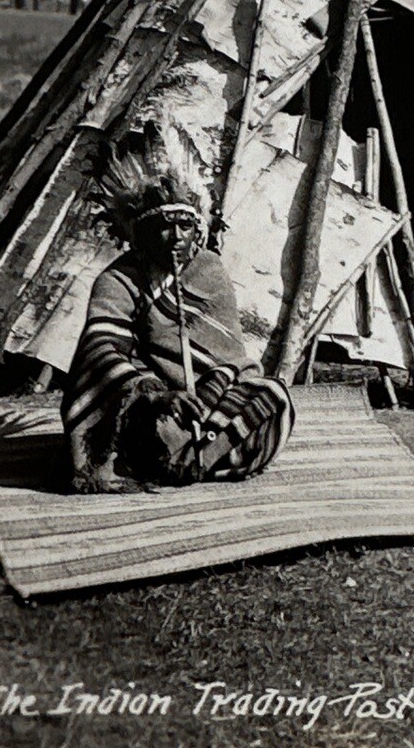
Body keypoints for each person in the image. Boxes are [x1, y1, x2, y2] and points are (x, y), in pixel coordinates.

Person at [62, 123, 294, 493]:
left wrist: (209, 395)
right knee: (153, 429)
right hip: (150, 403)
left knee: (273, 397)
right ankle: (190, 458)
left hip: (211, 395)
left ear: (197, 230)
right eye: (162, 227)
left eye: (185, 225)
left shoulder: (210, 269)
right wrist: (155, 393)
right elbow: (101, 348)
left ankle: (184, 459)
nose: (175, 237)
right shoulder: (119, 278)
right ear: (139, 234)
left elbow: (231, 357)